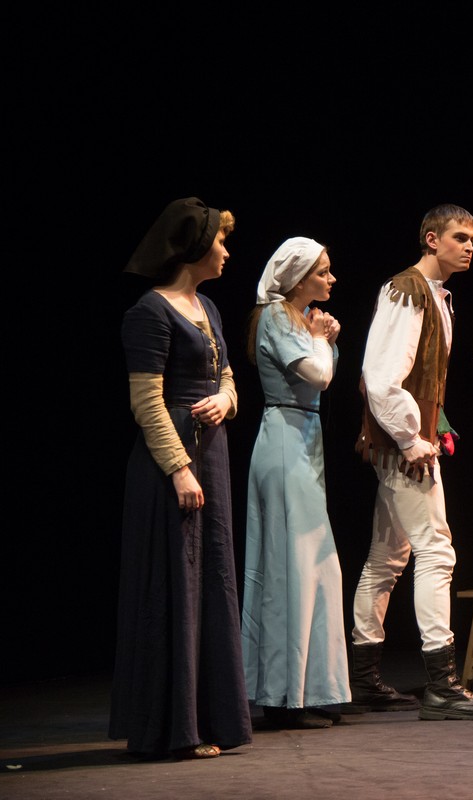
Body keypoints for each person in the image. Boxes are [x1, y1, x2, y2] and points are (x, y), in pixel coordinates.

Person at [351, 203, 473, 720]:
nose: (469, 246)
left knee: (386, 557)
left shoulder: (435, 295)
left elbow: (421, 378)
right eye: (459, 237)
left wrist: (435, 425)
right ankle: (442, 685)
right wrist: (409, 438)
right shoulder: (408, 290)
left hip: (410, 439)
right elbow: (380, 377)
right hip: (402, 447)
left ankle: (364, 678)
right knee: (436, 551)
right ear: (432, 239)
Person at [110, 197, 252, 759]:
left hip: (211, 455)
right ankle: (172, 728)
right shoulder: (149, 311)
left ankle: (211, 718)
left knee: (212, 579)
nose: (226, 251)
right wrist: (178, 469)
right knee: (175, 584)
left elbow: (228, 375)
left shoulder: (207, 306)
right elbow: (146, 402)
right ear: (194, 246)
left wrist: (226, 399)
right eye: (220, 241)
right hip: (173, 463)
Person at [241, 237, 351, 729]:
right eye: (323, 272)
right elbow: (319, 376)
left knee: (316, 570)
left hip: (303, 436)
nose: (331, 279)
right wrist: (324, 340)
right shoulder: (276, 317)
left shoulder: (299, 319)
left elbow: (321, 377)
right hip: (284, 441)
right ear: (298, 278)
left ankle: (311, 688)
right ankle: (282, 695)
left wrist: (324, 340)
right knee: (290, 569)